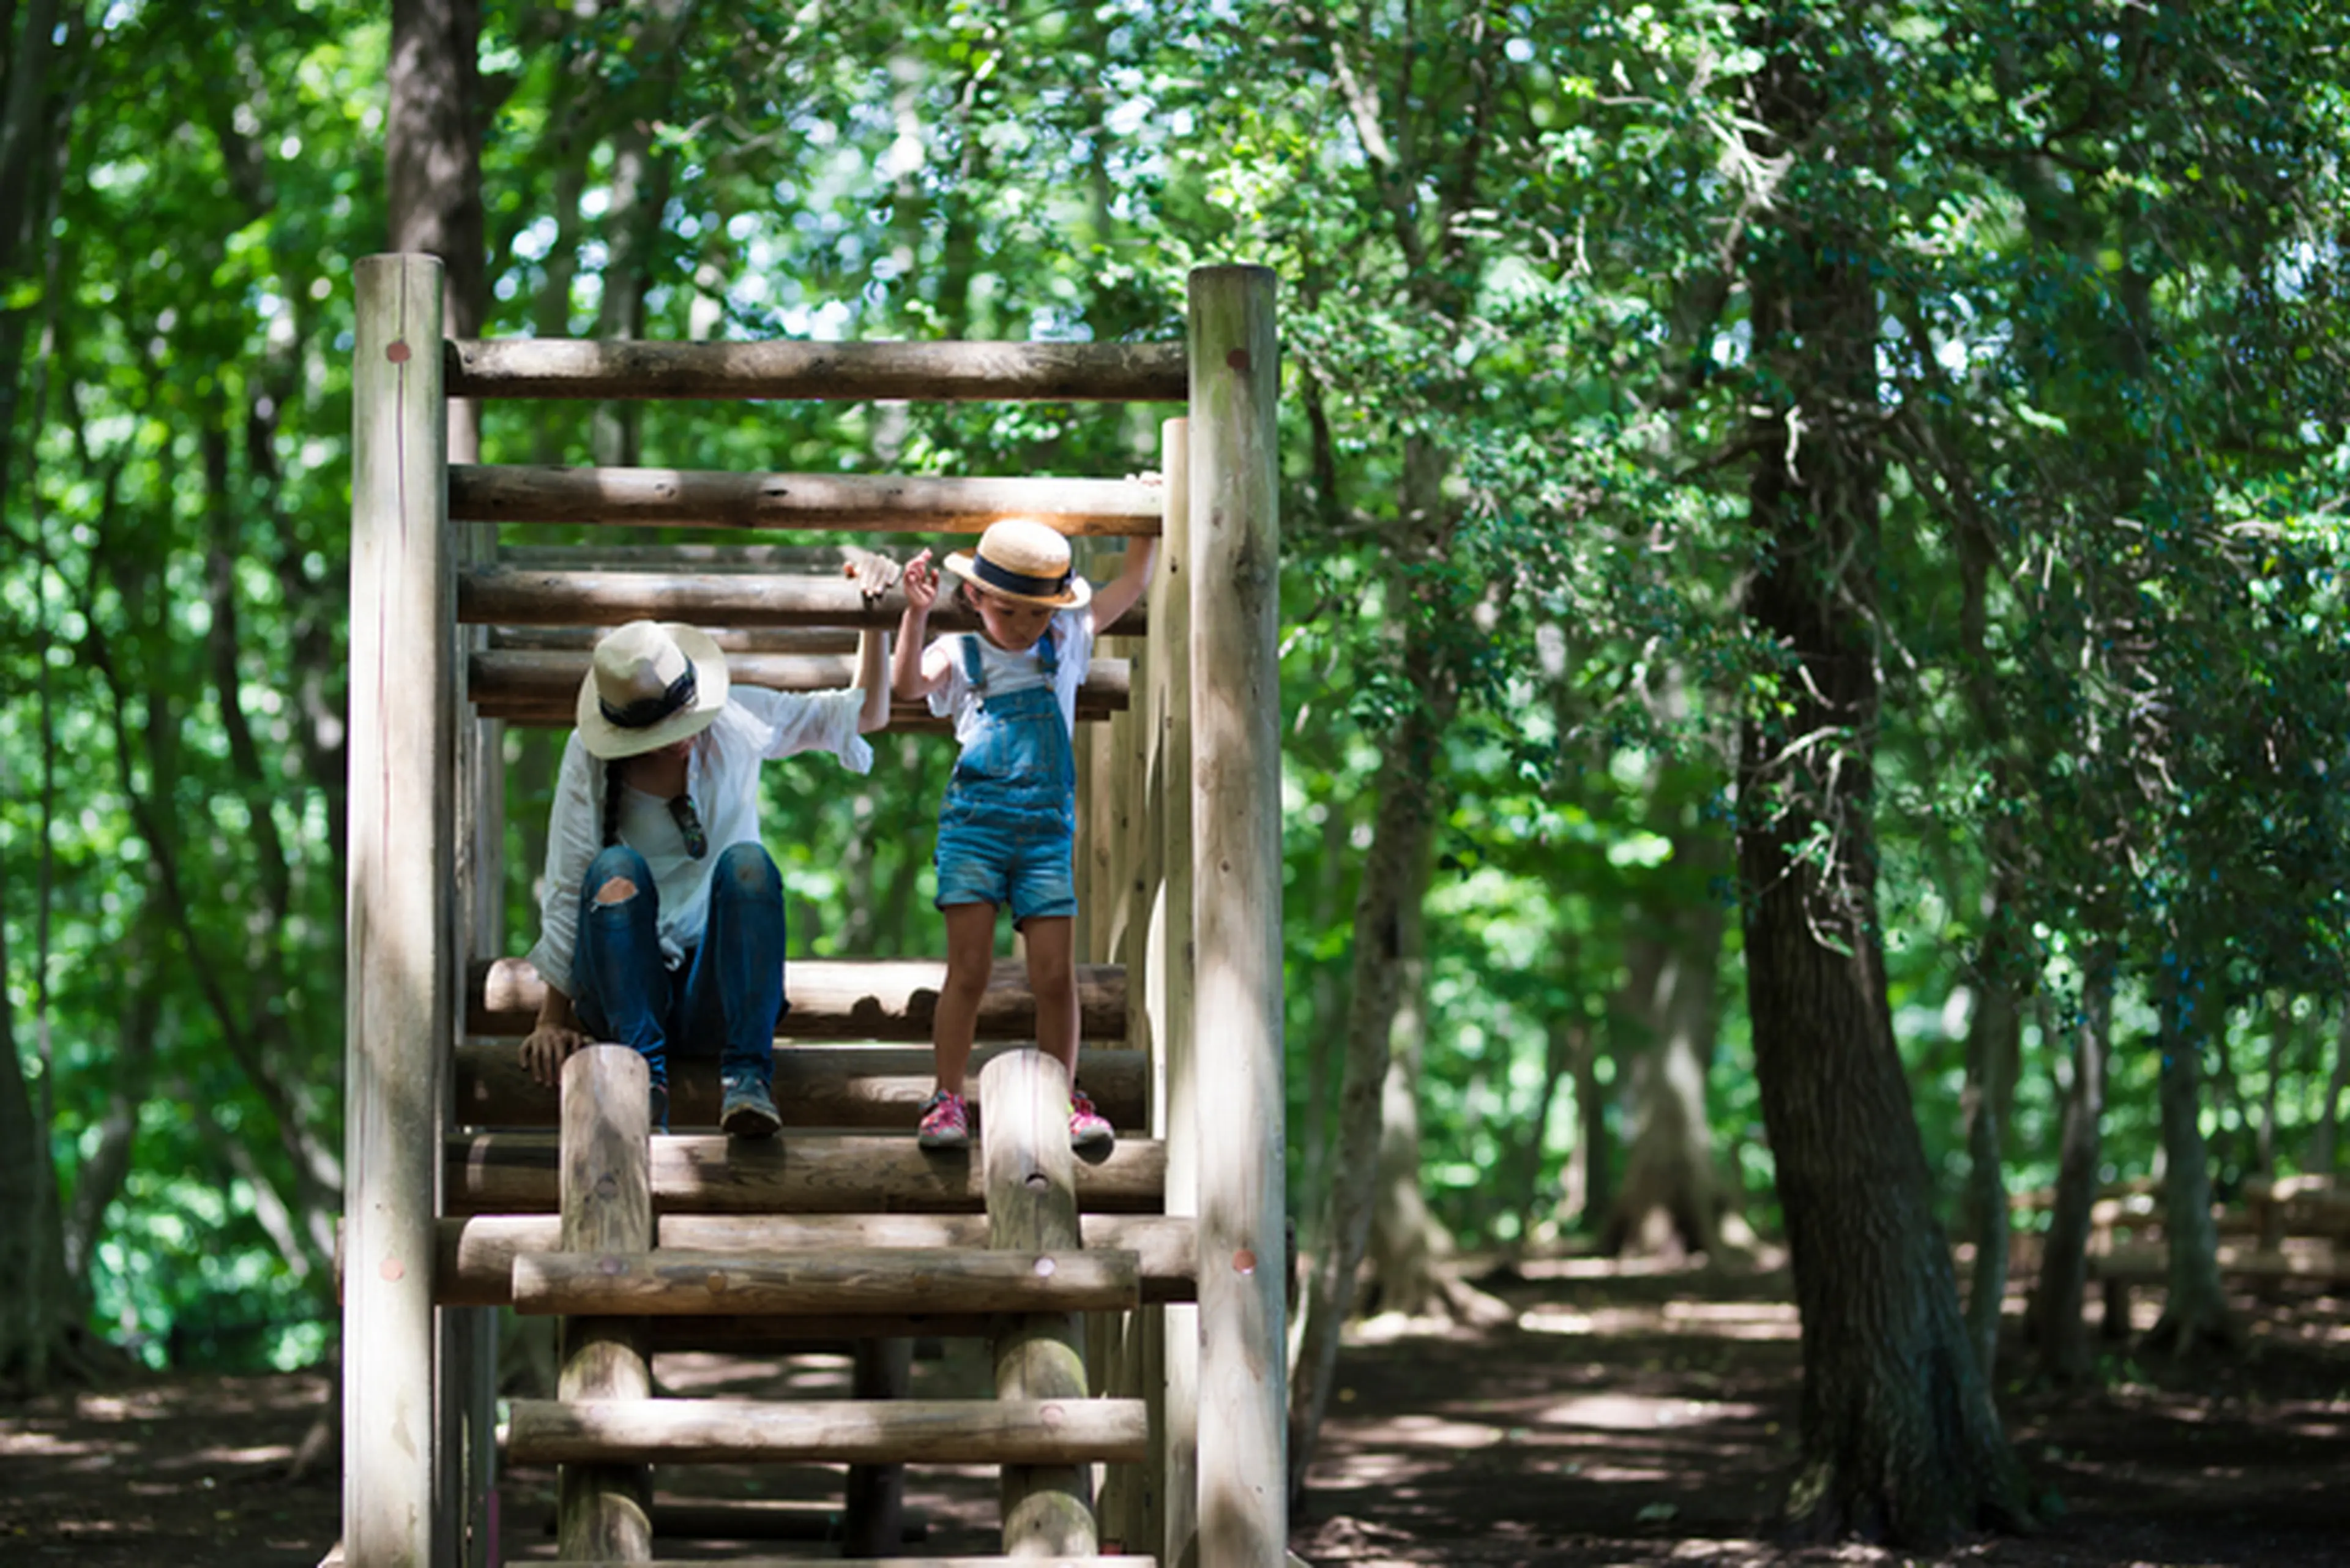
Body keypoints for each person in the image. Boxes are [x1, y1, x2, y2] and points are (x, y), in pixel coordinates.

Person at [518, 618, 890, 1135]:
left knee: (749, 864)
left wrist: (875, 618)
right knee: (614, 869)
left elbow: (864, 712)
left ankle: (748, 1079)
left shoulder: (739, 718)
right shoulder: (588, 756)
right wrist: (550, 1018)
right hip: (623, 987)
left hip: (710, 991)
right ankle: (642, 1086)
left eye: (682, 720)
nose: (678, 739)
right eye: (658, 730)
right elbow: (567, 884)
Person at [892, 517, 1155, 1152]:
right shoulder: (960, 654)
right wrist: (915, 615)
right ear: (977, 596)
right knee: (970, 970)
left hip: (1044, 837)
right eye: (1009, 611)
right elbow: (906, 686)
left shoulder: (1065, 641)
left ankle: (1064, 1096)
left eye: (1037, 614)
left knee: (1055, 975)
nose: (1024, 626)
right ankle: (947, 1098)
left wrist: (1147, 518)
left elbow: (1133, 582)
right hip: (974, 833)